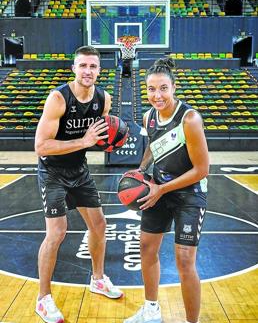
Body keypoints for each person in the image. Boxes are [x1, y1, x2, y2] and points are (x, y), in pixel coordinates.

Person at [34, 46, 123, 323]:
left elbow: (102, 133)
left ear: (99, 70)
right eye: (82, 66)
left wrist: (111, 139)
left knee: (99, 225)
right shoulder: (59, 98)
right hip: (53, 171)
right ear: (74, 68)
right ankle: (43, 299)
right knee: (57, 232)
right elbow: (41, 146)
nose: (88, 71)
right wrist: (83, 142)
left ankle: (97, 279)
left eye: (93, 66)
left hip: (79, 170)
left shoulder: (103, 99)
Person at [124, 58, 209, 323]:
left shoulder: (190, 119)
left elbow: (202, 169)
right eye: (151, 89)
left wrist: (162, 188)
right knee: (146, 249)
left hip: (189, 193)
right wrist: (141, 170)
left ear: (173, 87)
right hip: (158, 188)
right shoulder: (149, 117)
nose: (157, 95)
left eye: (162, 88)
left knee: (184, 261)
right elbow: (152, 146)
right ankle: (151, 311)